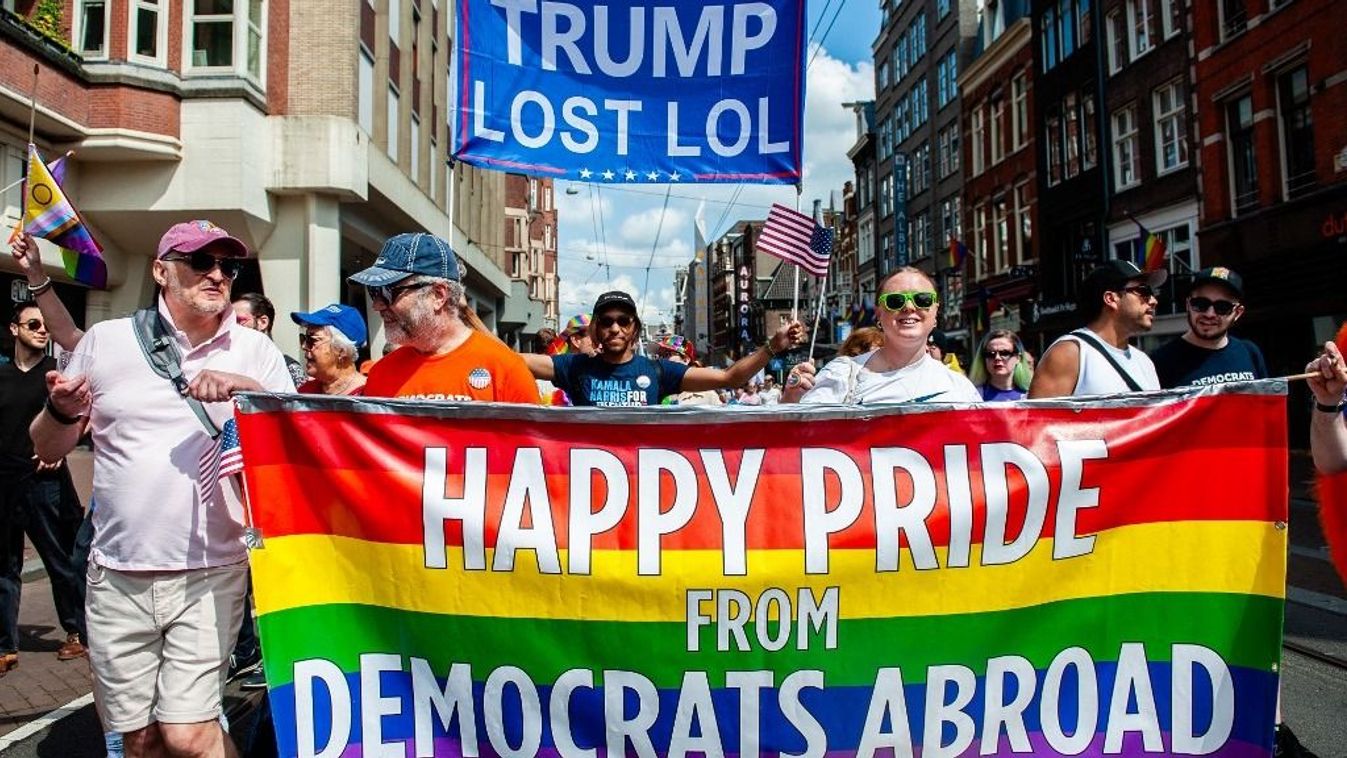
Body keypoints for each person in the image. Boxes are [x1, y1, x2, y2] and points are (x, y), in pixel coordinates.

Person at [30, 220, 295, 757]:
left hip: (210, 573)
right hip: (117, 575)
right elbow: (49, 448)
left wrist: (250, 390)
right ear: (161, 271)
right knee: (141, 741)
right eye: (201, 263)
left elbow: (293, 446)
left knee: (189, 735)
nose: (217, 275)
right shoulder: (106, 341)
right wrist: (60, 409)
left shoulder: (256, 351)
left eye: (228, 265)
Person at [524, 290, 805, 407]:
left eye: (624, 321)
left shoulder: (656, 371)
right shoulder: (575, 367)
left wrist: (773, 346)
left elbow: (729, 378)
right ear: (597, 328)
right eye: (607, 321)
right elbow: (514, 360)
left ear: (634, 328)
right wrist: (477, 332)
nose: (615, 328)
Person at [1, 303, 87, 675]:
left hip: (45, 484)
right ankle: (6, 646)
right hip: (5, 482)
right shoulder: (2, 376)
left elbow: (85, 414)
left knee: (60, 561)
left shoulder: (55, 374)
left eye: (44, 325)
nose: (41, 330)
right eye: (32, 324)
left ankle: (75, 632)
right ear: (14, 329)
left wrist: (62, 447)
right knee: (5, 566)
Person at [351, 232, 539, 403]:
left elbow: (533, 440)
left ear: (438, 295)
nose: (377, 305)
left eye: (388, 292)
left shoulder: (505, 369)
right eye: (374, 291)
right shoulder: (381, 373)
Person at [783, 268, 982, 404]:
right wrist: (791, 401)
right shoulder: (844, 375)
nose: (909, 307)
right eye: (895, 301)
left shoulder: (959, 388)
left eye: (922, 300)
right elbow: (801, 442)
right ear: (879, 314)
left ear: (935, 312)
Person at [1028, 259, 1164, 398]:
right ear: (1111, 299)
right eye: (1143, 291)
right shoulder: (1069, 354)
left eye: (1152, 292)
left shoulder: (1144, 362)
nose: (1153, 301)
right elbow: (1039, 419)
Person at [1150, 267, 1267, 388]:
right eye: (1201, 304)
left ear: (1237, 313)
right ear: (1188, 304)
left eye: (1222, 307)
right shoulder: (1161, 361)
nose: (1210, 314)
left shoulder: (1250, 352)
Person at [291, 304, 368, 396]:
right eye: (304, 338)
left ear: (341, 350)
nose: (304, 346)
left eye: (312, 340)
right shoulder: (306, 392)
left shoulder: (370, 397)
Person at [234, 292, 308, 387]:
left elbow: (298, 402)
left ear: (263, 322)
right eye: (229, 321)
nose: (232, 327)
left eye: (239, 320)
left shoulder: (289, 368)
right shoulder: (228, 363)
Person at [653, 335, 722, 406]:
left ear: (686, 360)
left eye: (667, 354)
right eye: (660, 355)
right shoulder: (653, 389)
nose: (661, 359)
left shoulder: (706, 394)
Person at [968, 329, 1033, 401]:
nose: (997, 358)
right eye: (990, 354)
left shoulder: (1030, 396)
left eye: (1004, 353)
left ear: (1018, 358)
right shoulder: (973, 396)